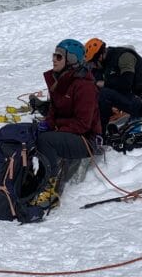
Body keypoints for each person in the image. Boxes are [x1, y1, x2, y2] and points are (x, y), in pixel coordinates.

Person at [29, 39, 103, 210]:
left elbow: (83, 124)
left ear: (70, 60)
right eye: (54, 55)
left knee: (47, 141)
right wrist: (47, 124)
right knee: (28, 133)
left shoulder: (85, 86)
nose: (53, 59)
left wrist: (55, 128)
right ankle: (28, 180)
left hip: (86, 140)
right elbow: (54, 111)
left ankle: (51, 189)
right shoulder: (60, 81)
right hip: (70, 133)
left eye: (59, 56)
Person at [84, 38, 142, 126]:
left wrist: (104, 83)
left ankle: (100, 133)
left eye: (92, 63)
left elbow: (126, 84)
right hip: (131, 98)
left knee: (103, 93)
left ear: (99, 56)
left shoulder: (124, 56)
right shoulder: (105, 63)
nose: (92, 66)